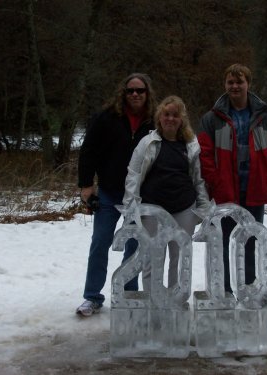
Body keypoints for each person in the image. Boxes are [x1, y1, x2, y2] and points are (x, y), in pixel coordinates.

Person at [197, 63, 267, 293]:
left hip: (254, 189)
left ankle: (247, 288)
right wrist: (215, 181)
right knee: (224, 241)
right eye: (230, 82)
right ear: (225, 85)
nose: (235, 86)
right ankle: (225, 290)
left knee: (250, 240)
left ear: (248, 84)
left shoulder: (265, 116)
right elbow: (204, 154)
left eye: (239, 81)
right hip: (226, 190)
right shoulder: (212, 118)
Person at [76, 73, 156, 316]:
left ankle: (129, 294)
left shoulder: (155, 121)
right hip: (109, 193)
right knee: (100, 241)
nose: (135, 94)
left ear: (147, 93)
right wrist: (86, 186)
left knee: (134, 246)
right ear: (123, 92)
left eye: (140, 90)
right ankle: (92, 297)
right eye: (130, 90)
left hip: (139, 197)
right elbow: (88, 152)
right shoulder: (105, 118)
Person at [123, 95, 210, 290]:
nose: (170, 118)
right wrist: (131, 208)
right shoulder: (148, 143)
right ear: (159, 117)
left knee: (179, 259)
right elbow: (134, 176)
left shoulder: (191, 145)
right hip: (152, 210)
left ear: (182, 119)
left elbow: (198, 178)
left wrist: (203, 207)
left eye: (175, 115)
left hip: (184, 209)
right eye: (166, 114)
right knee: (152, 257)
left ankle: (175, 303)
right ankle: (153, 303)